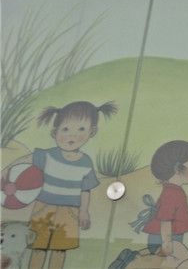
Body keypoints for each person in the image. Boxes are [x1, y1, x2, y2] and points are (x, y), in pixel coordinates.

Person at [8, 101, 117, 269]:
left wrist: (83, 211)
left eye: (81, 129)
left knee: (60, 250)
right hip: (43, 208)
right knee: (38, 247)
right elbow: (25, 159)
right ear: (54, 132)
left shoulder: (86, 162)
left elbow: (85, 189)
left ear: (92, 132)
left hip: (70, 212)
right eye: (65, 130)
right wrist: (5, 173)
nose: (72, 136)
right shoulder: (47, 155)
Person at [110, 141, 188, 269]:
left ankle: (134, 256)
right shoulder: (173, 193)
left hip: (166, 239)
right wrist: (167, 245)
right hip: (167, 240)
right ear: (177, 169)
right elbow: (165, 221)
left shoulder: (173, 190)